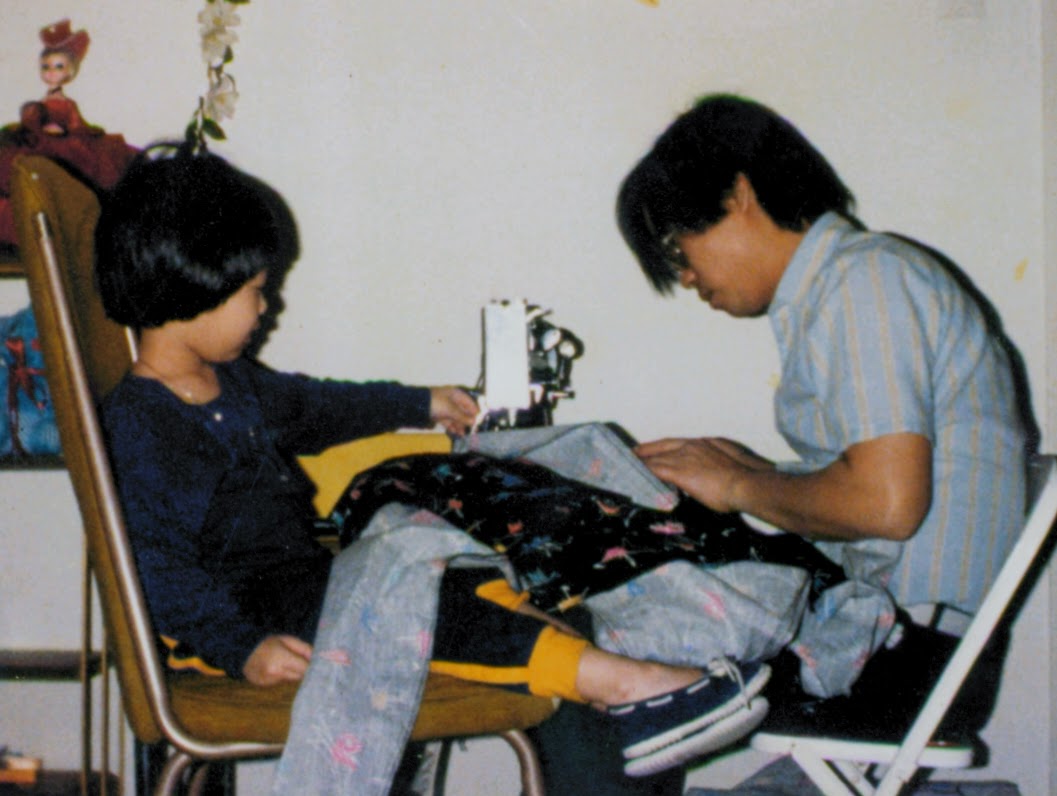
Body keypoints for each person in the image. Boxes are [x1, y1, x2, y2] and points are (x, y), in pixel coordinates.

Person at [94, 145, 771, 790]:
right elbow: (156, 571)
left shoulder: (235, 384)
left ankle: (611, 675)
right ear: (195, 283)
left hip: (297, 580)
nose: (265, 307)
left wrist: (419, 403)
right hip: (243, 611)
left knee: (451, 568)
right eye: (254, 290)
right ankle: (622, 686)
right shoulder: (143, 423)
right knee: (415, 604)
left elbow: (320, 405)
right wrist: (240, 646)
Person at [616, 93, 1029, 669]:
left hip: (904, 651)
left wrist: (737, 485)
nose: (684, 276)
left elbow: (886, 507)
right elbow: (876, 493)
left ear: (738, 194)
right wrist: (753, 470)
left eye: (675, 247)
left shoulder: (867, 280)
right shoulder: (845, 286)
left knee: (611, 636)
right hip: (894, 632)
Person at [0, 19, 137, 246]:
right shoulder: (41, 103)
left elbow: (75, 125)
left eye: (58, 67)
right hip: (38, 144)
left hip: (61, 147)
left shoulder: (65, 104)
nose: (51, 72)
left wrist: (60, 130)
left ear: (69, 71)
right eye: (46, 67)